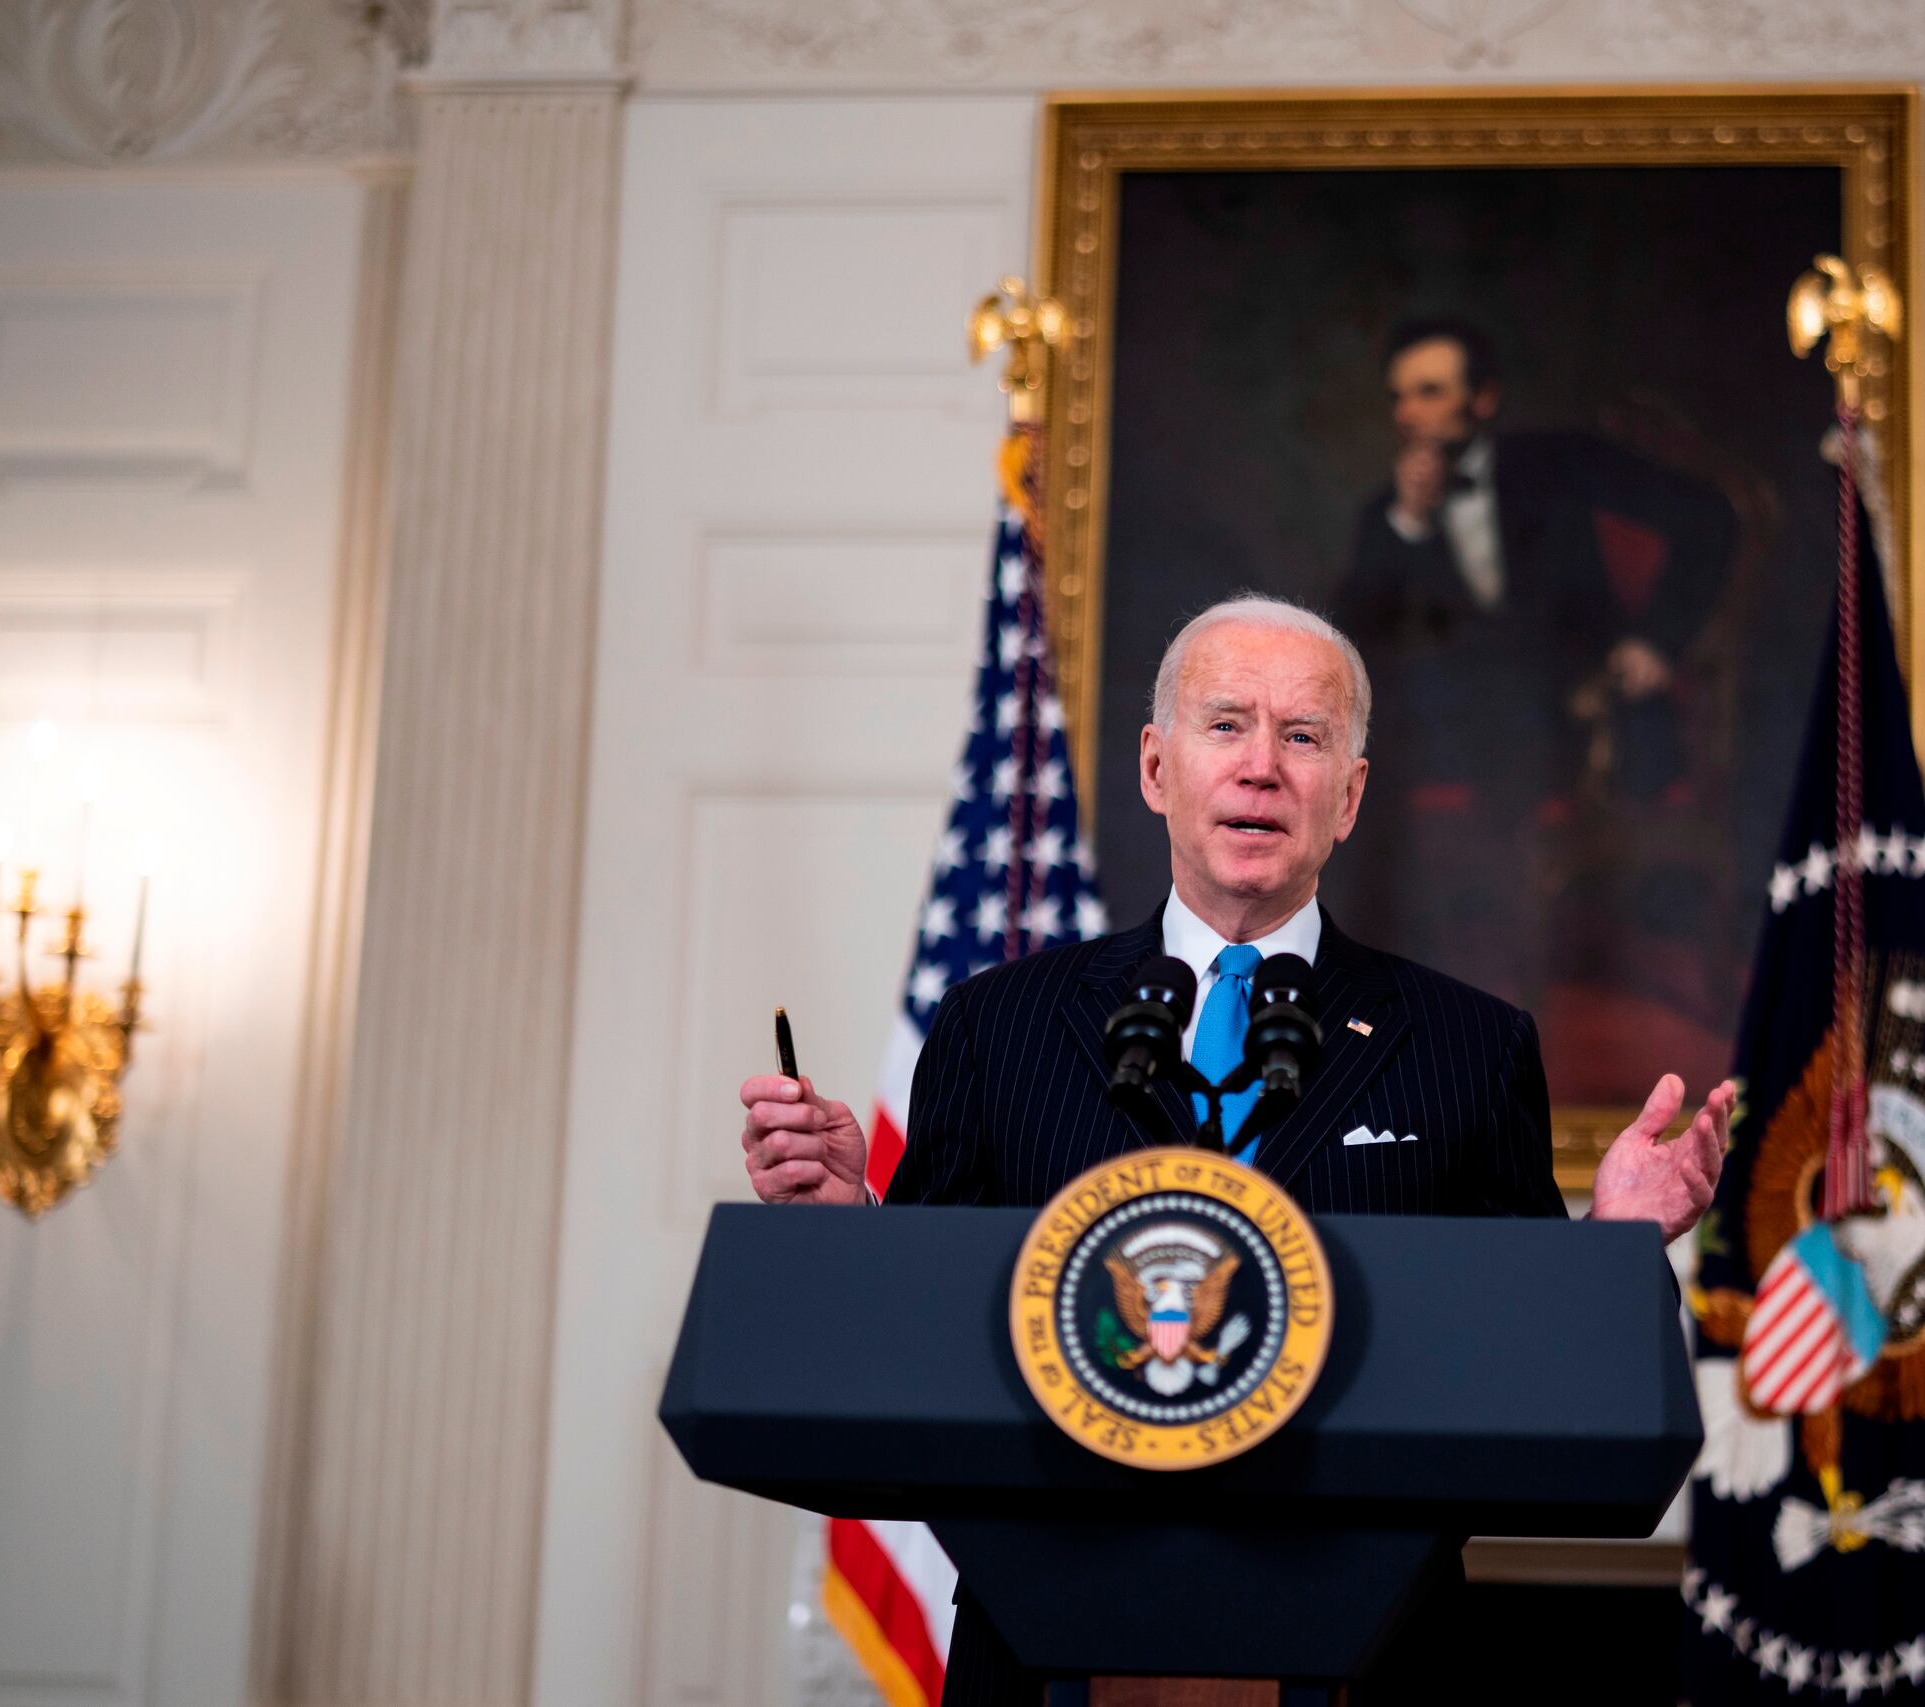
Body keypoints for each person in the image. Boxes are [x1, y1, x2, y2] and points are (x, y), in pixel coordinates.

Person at [737, 595, 1729, 1704]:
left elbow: (1527, 1382)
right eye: (1226, 726)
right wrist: (846, 1234)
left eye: (1303, 737)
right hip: (1049, 1643)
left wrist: (1615, 1243)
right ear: (1158, 770)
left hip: (1368, 1653)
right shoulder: (998, 1025)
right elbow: (924, 1352)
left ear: (1347, 797)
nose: (1263, 767)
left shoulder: (1468, 1045)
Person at [1330, 317, 1738, 1006]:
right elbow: (1350, 642)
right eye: (1400, 397)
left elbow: (1710, 518)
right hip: (1451, 737)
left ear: (1482, 399)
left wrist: (1657, 641)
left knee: (1508, 710)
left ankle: (1517, 999)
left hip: (1587, 716)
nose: (1409, 414)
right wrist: (1410, 521)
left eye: (1430, 391)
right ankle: (1376, 993)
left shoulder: (1564, 465)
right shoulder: (1388, 515)